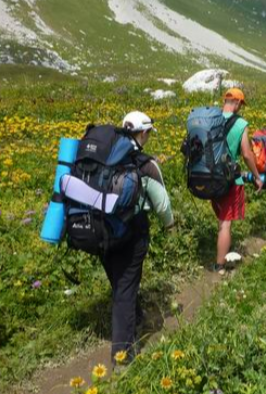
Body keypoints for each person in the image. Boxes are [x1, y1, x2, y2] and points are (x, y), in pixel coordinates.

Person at [101, 111, 174, 365]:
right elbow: (162, 204)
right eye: (150, 133)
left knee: (120, 279)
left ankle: (137, 315)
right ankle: (123, 356)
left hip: (100, 227)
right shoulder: (145, 163)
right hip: (131, 229)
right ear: (143, 133)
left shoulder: (105, 155)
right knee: (125, 288)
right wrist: (170, 226)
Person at [211, 88, 263, 273]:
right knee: (225, 223)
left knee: (220, 220)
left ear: (225, 100)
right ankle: (220, 266)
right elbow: (247, 154)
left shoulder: (211, 118)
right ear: (239, 103)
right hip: (229, 180)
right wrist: (257, 176)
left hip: (209, 177)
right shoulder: (240, 123)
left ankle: (218, 253)